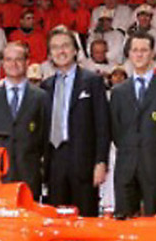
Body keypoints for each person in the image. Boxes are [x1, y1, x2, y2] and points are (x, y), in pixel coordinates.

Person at [41, 26, 110, 216]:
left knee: (86, 220)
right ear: (50, 53)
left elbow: (103, 125)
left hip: (84, 163)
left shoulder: (92, 81)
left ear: (75, 50)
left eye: (65, 46)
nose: (60, 51)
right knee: (57, 220)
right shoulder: (45, 86)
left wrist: (101, 162)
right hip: (55, 161)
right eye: (55, 47)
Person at [110, 32, 156, 217]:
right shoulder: (118, 92)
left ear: (153, 53)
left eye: (144, 50)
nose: (139, 55)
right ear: (129, 54)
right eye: (135, 50)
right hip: (126, 166)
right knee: (123, 221)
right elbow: (116, 130)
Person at [0, 42, 47, 199]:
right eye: (8, 59)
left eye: (18, 59)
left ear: (27, 62)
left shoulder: (41, 97)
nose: (13, 64)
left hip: (29, 175)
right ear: (2, 63)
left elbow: (43, 137)